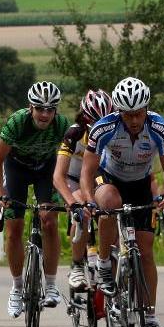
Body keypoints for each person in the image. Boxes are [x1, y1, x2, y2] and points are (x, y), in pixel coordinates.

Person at [80, 77, 164, 327]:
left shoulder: (159, 127)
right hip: (108, 178)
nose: (134, 120)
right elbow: (87, 173)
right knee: (109, 203)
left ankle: (150, 318)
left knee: (146, 251)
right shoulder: (104, 128)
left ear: (146, 109)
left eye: (138, 114)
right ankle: (103, 264)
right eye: (127, 115)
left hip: (141, 184)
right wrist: (89, 200)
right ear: (118, 112)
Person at [0, 81, 69, 318]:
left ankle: (52, 284)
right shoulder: (17, 122)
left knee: (49, 220)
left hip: (46, 169)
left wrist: (70, 194)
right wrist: (0, 195)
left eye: (50, 109)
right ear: (30, 107)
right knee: (14, 228)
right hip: (17, 169)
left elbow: (72, 159)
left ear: (55, 111)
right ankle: (17, 287)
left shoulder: (62, 125)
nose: (45, 114)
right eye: (39, 108)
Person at [53, 89, 114, 291]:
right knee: (83, 212)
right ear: (85, 118)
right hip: (72, 180)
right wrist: (72, 203)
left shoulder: (114, 132)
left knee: (111, 211)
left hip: (96, 179)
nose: (100, 127)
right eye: (94, 121)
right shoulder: (74, 133)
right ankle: (77, 264)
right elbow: (58, 176)